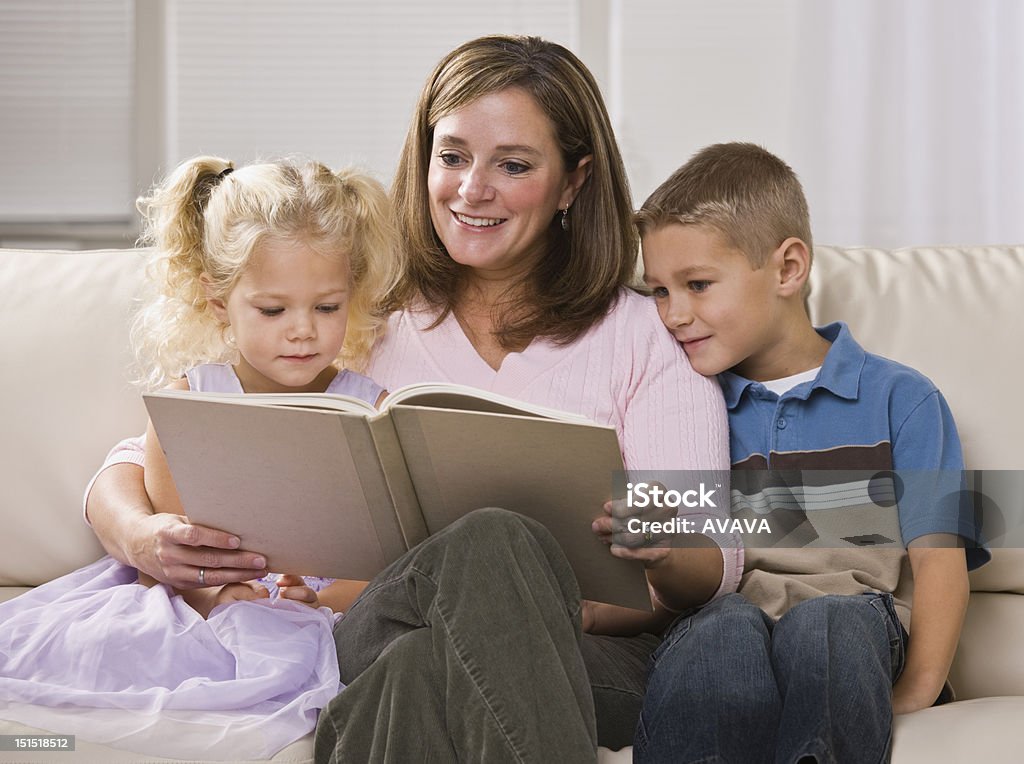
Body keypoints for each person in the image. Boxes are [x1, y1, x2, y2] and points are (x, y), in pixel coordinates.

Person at [85, 36, 738, 760]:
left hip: (582, 654)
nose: (471, 189)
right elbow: (157, 445)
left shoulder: (643, 336)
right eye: (452, 156)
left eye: (513, 165)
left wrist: (651, 554)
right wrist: (137, 534)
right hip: (377, 619)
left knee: (433, 647)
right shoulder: (357, 311)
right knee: (476, 560)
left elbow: (716, 559)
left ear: (574, 182)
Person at [0, 156, 400, 760]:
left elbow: (389, 558)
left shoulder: (370, 409)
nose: (303, 331)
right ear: (220, 302)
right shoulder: (190, 404)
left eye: (327, 307)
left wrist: (324, 599)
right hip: (203, 604)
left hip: (322, 613)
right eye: (273, 309)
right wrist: (216, 598)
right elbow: (170, 554)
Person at [633, 142, 990, 763]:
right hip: (727, 628)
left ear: (788, 269)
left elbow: (939, 566)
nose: (674, 314)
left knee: (829, 621)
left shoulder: (901, 399)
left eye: (696, 285)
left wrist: (918, 688)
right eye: (658, 292)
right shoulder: (687, 406)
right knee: (719, 628)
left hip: (851, 626)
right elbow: (661, 564)